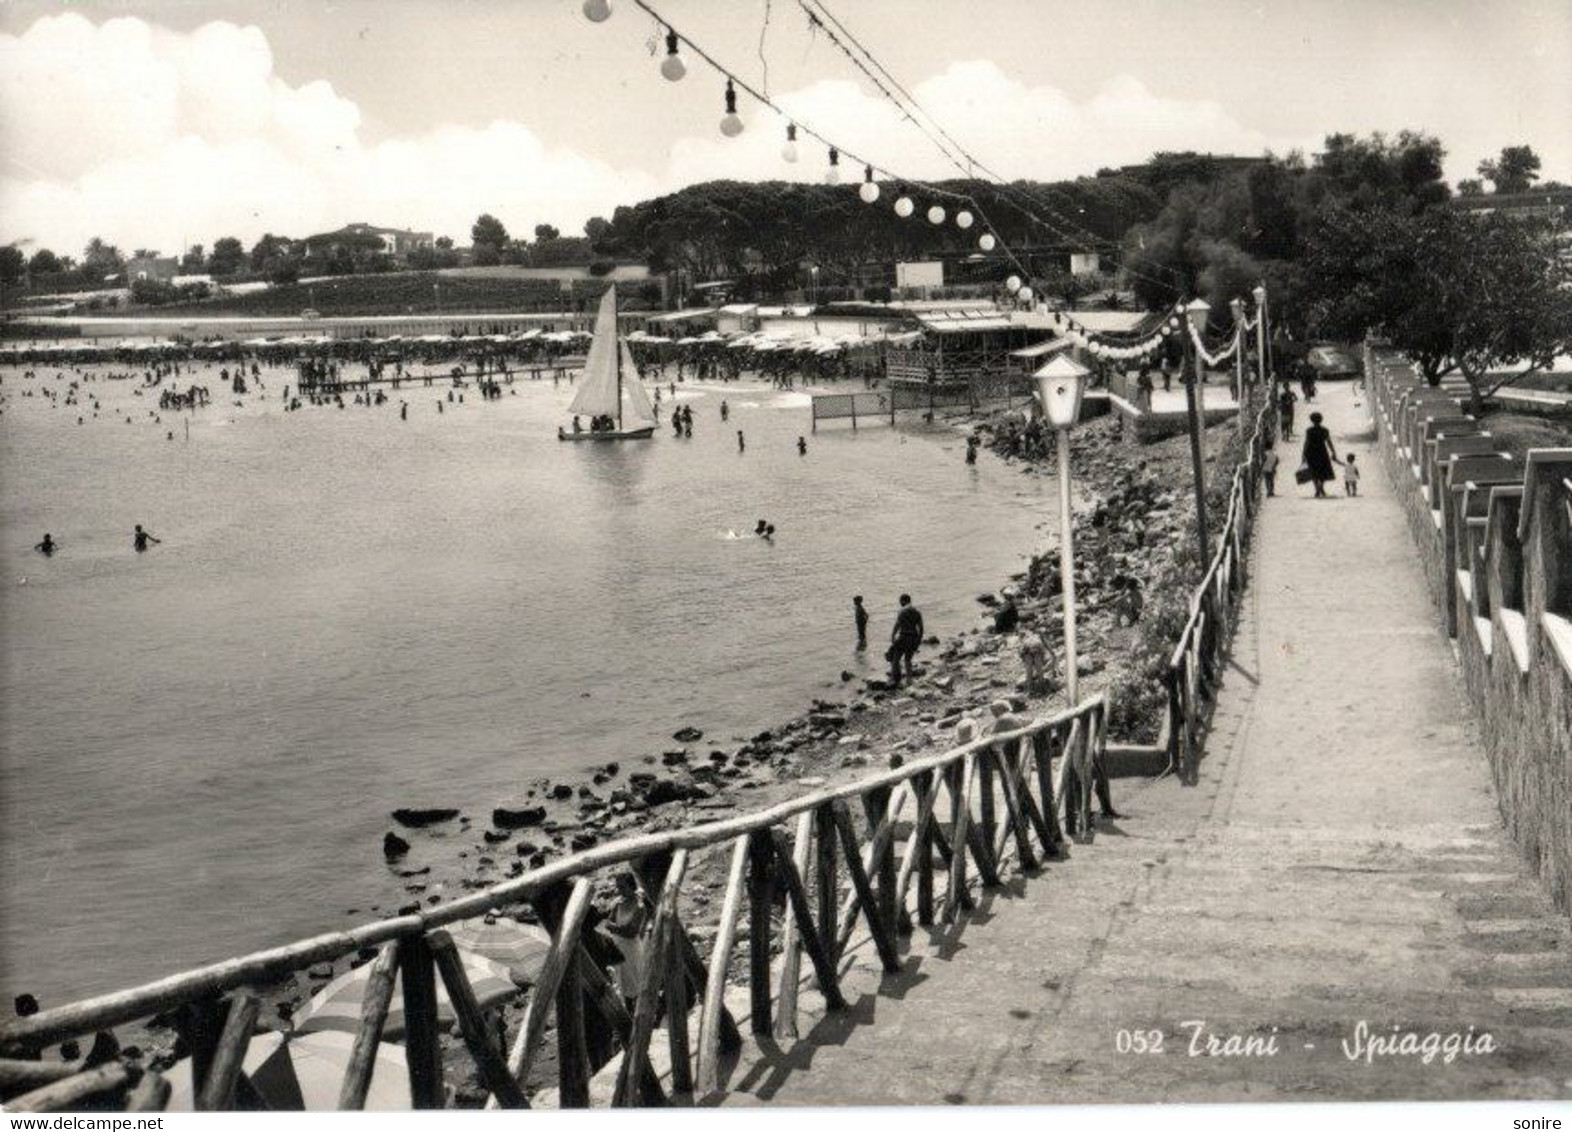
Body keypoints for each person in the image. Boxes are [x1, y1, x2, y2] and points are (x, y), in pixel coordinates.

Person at [601, 873, 648, 1013]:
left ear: (631, 886)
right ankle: (629, 1018)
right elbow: (607, 922)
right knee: (623, 986)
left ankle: (643, 1017)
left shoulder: (639, 905)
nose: (619, 890)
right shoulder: (618, 903)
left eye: (622, 887)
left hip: (632, 951)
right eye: (618, 887)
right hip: (618, 948)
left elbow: (631, 932)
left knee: (636, 985)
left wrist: (615, 928)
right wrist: (618, 928)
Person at [888, 594, 924, 686]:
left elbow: (897, 625)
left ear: (903, 601)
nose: (900, 603)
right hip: (913, 638)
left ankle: (895, 679)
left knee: (896, 658)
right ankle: (909, 680)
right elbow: (921, 628)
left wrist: (893, 635)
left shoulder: (902, 611)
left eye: (900, 601)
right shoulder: (917, 612)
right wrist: (918, 641)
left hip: (903, 637)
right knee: (908, 660)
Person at [1301, 411, 1338, 498]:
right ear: (1321, 420)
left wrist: (1303, 453)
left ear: (1311, 420)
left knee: (1313, 471)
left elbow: (1306, 442)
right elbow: (1329, 442)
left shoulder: (1309, 431)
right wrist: (1333, 451)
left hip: (1311, 452)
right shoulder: (1325, 430)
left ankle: (1317, 489)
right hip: (1322, 451)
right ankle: (1321, 488)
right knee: (1322, 471)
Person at [1018, 630, 1051, 695]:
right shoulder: (1039, 633)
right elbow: (1045, 644)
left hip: (1027, 651)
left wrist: (1021, 656)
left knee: (1029, 671)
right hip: (1037, 650)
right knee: (1039, 670)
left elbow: (1021, 645)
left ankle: (1029, 690)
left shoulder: (1024, 634)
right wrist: (1051, 652)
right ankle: (1041, 689)